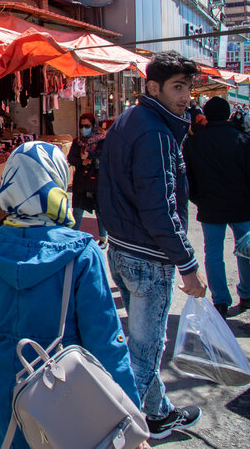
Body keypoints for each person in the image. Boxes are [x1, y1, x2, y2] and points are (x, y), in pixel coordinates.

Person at [0, 142, 144, 449]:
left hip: (5, 385)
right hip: (70, 386)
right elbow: (106, 340)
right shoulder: (82, 252)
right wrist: (130, 416)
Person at [97, 50, 206, 440]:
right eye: (178, 88)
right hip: (146, 256)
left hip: (125, 250)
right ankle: (113, 435)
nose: (186, 97)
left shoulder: (133, 119)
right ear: (153, 87)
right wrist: (188, 265)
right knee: (145, 351)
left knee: (141, 342)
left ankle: (157, 414)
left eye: (189, 88)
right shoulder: (155, 131)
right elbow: (159, 208)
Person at [183, 96, 250, 318]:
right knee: (245, 252)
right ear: (228, 114)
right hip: (243, 207)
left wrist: (198, 199)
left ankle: (221, 301)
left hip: (210, 207)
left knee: (213, 253)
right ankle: (246, 294)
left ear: (206, 114)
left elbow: (189, 178)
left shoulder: (195, 142)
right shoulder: (242, 140)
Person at [66, 112, 108, 248]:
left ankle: (103, 238)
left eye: (87, 126)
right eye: (82, 126)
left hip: (97, 179)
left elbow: (105, 153)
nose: (84, 128)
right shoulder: (77, 142)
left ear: (93, 126)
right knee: (77, 209)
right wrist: (82, 162)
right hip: (81, 180)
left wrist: (90, 155)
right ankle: (73, 238)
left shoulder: (102, 140)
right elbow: (71, 158)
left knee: (100, 210)